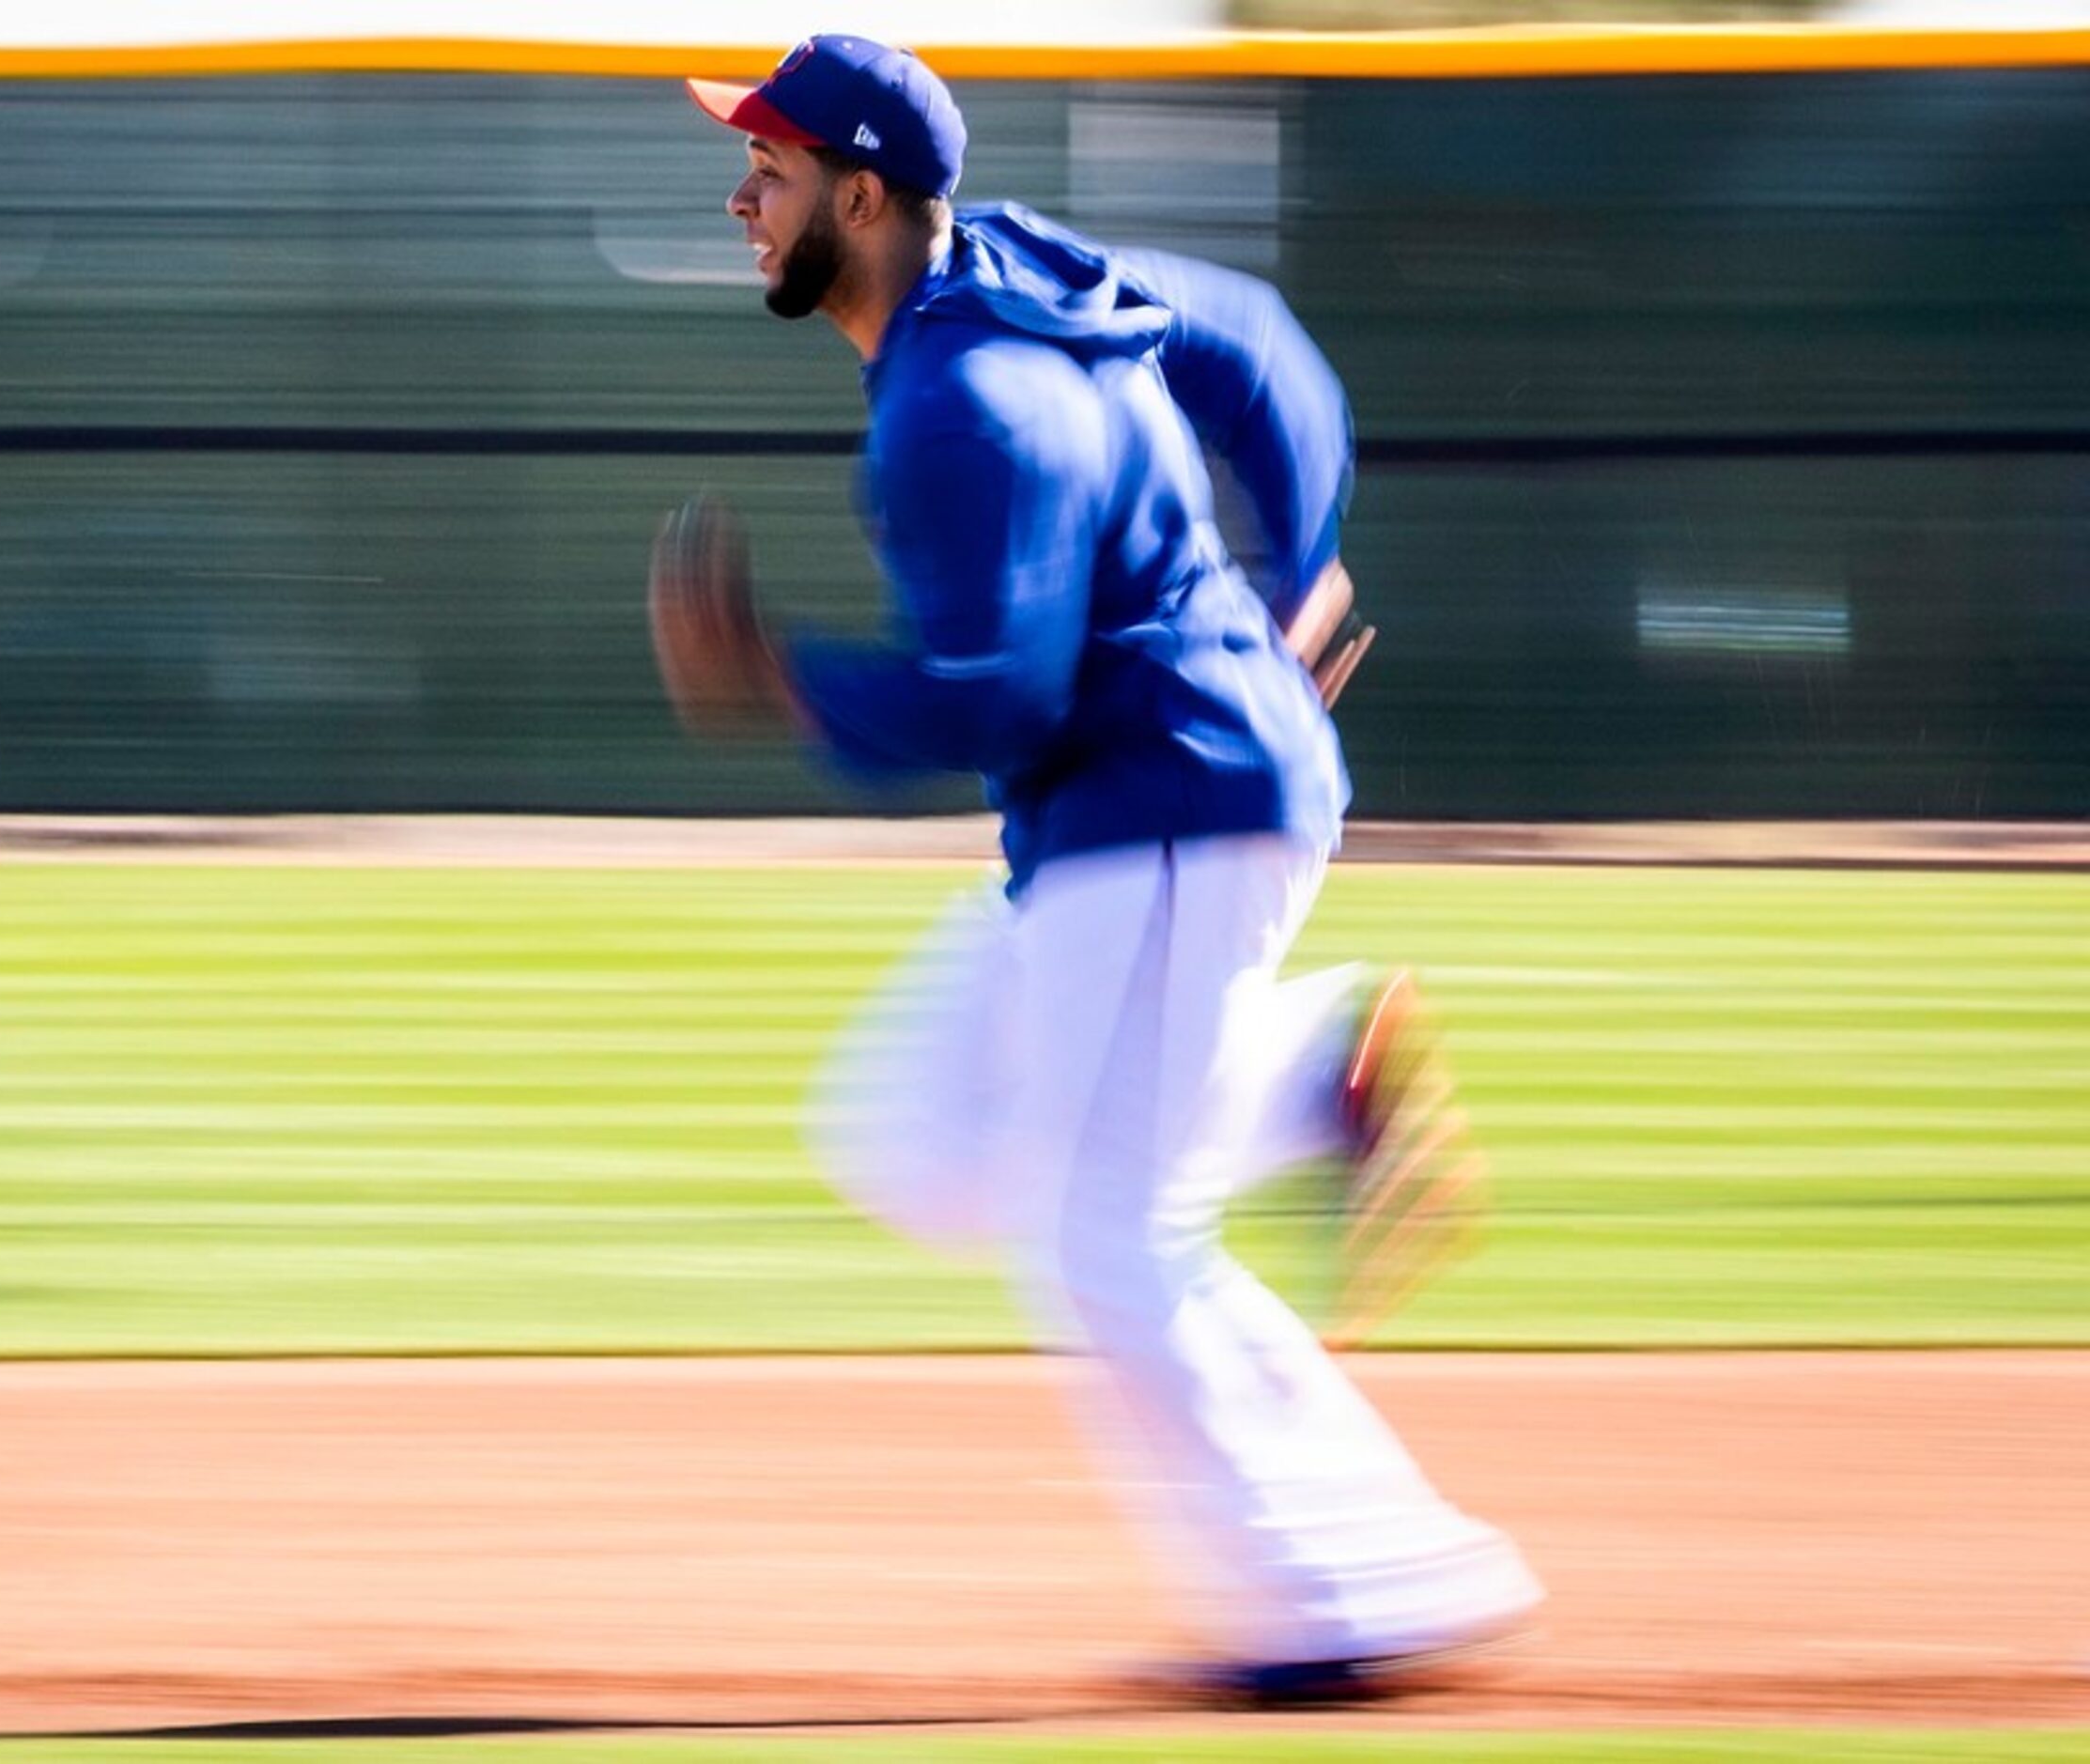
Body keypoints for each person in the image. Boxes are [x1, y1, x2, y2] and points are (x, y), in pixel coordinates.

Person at [647, 35, 1543, 1702]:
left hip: (1169, 805)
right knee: (906, 1132)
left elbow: (1010, 691)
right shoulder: (1024, 268)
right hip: (1154, 792)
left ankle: (1359, 1590)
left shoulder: (955, 411)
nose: (740, 196)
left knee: (1106, 1243)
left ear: (858, 194)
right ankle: (1308, 1066)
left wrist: (780, 676)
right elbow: (1265, 353)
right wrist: (1306, 563)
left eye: (767, 169)